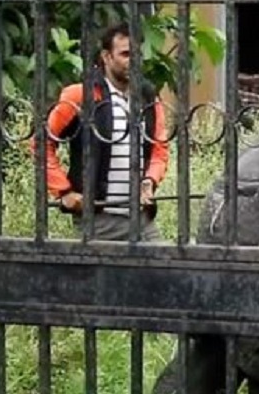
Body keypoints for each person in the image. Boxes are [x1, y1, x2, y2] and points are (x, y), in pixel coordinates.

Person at [36, 22, 170, 242]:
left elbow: (159, 148)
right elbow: (40, 144)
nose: (133, 61)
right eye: (126, 54)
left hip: (141, 218)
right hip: (99, 220)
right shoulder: (81, 96)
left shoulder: (148, 98)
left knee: (163, 272)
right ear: (107, 57)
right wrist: (64, 191)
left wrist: (150, 181)